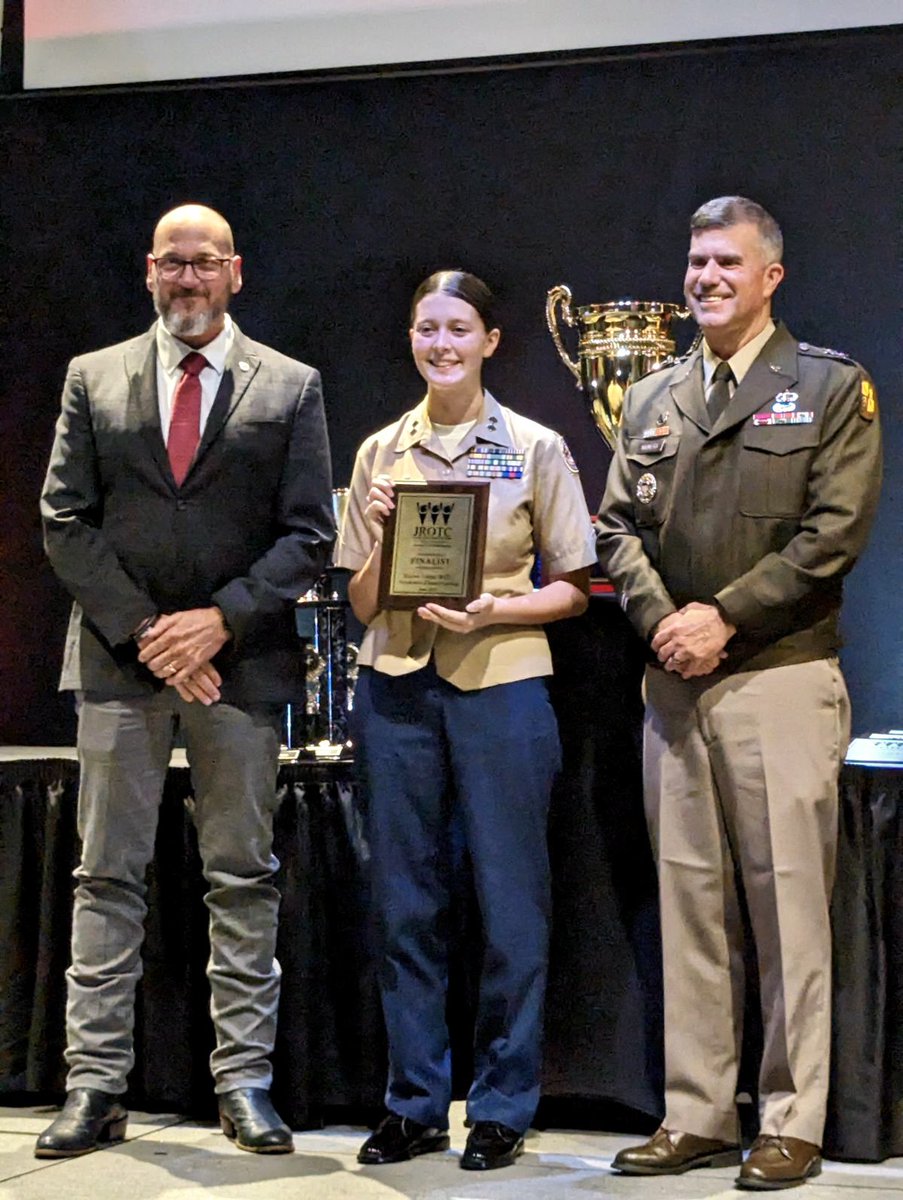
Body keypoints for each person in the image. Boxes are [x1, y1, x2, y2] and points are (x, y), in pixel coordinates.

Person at [596, 196, 882, 1191]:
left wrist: (722, 617)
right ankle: (699, 1113)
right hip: (673, 688)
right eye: (696, 262)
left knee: (790, 906)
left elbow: (832, 535)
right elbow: (615, 531)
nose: (706, 278)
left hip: (780, 677)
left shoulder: (829, 387)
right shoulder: (652, 397)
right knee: (691, 907)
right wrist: (661, 620)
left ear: (772, 276)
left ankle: (792, 1118)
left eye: (726, 262)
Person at [37, 204, 334, 1158]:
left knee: (241, 877)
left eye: (205, 263)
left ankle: (244, 1083)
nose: (188, 279)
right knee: (104, 875)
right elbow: (63, 520)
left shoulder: (290, 386)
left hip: (239, 669)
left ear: (235, 273)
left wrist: (218, 622)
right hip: (120, 668)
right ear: (150, 271)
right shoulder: (95, 377)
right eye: (173, 263)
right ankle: (95, 1087)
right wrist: (147, 634)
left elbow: (308, 536)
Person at [334, 270, 595, 1171]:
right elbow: (364, 603)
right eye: (425, 329)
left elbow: (572, 588)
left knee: (509, 900)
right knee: (404, 904)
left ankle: (501, 1103)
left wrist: (494, 609)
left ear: (489, 340)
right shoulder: (380, 452)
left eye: (457, 329)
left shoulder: (533, 446)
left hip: (502, 687)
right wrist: (372, 537)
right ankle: (411, 1101)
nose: (439, 345)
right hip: (397, 688)